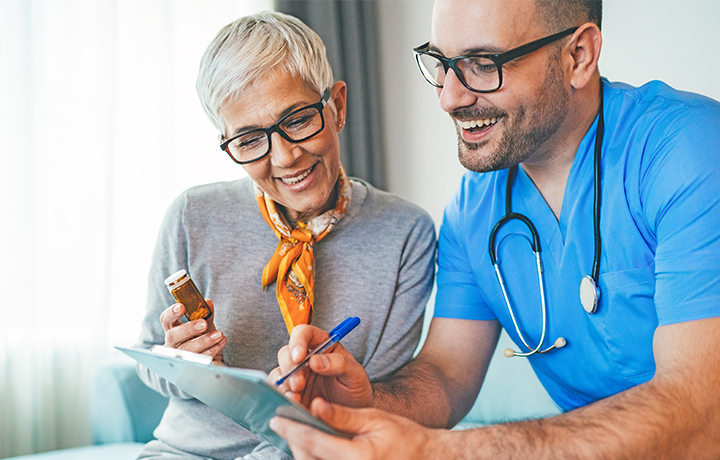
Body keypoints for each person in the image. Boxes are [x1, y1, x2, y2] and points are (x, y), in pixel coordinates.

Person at [268, 0, 720, 458]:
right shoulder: (475, 208)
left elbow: (702, 415)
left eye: (483, 65)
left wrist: (441, 452)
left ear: (578, 55)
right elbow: (446, 375)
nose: (450, 97)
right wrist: (366, 402)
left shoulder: (688, 150)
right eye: (442, 64)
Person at [134, 10, 436, 460]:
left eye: (296, 120)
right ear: (227, 142)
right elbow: (149, 360)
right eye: (251, 140)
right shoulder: (191, 215)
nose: (285, 157)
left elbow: (379, 402)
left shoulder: (406, 234)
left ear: (336, 106)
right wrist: (184, 363)